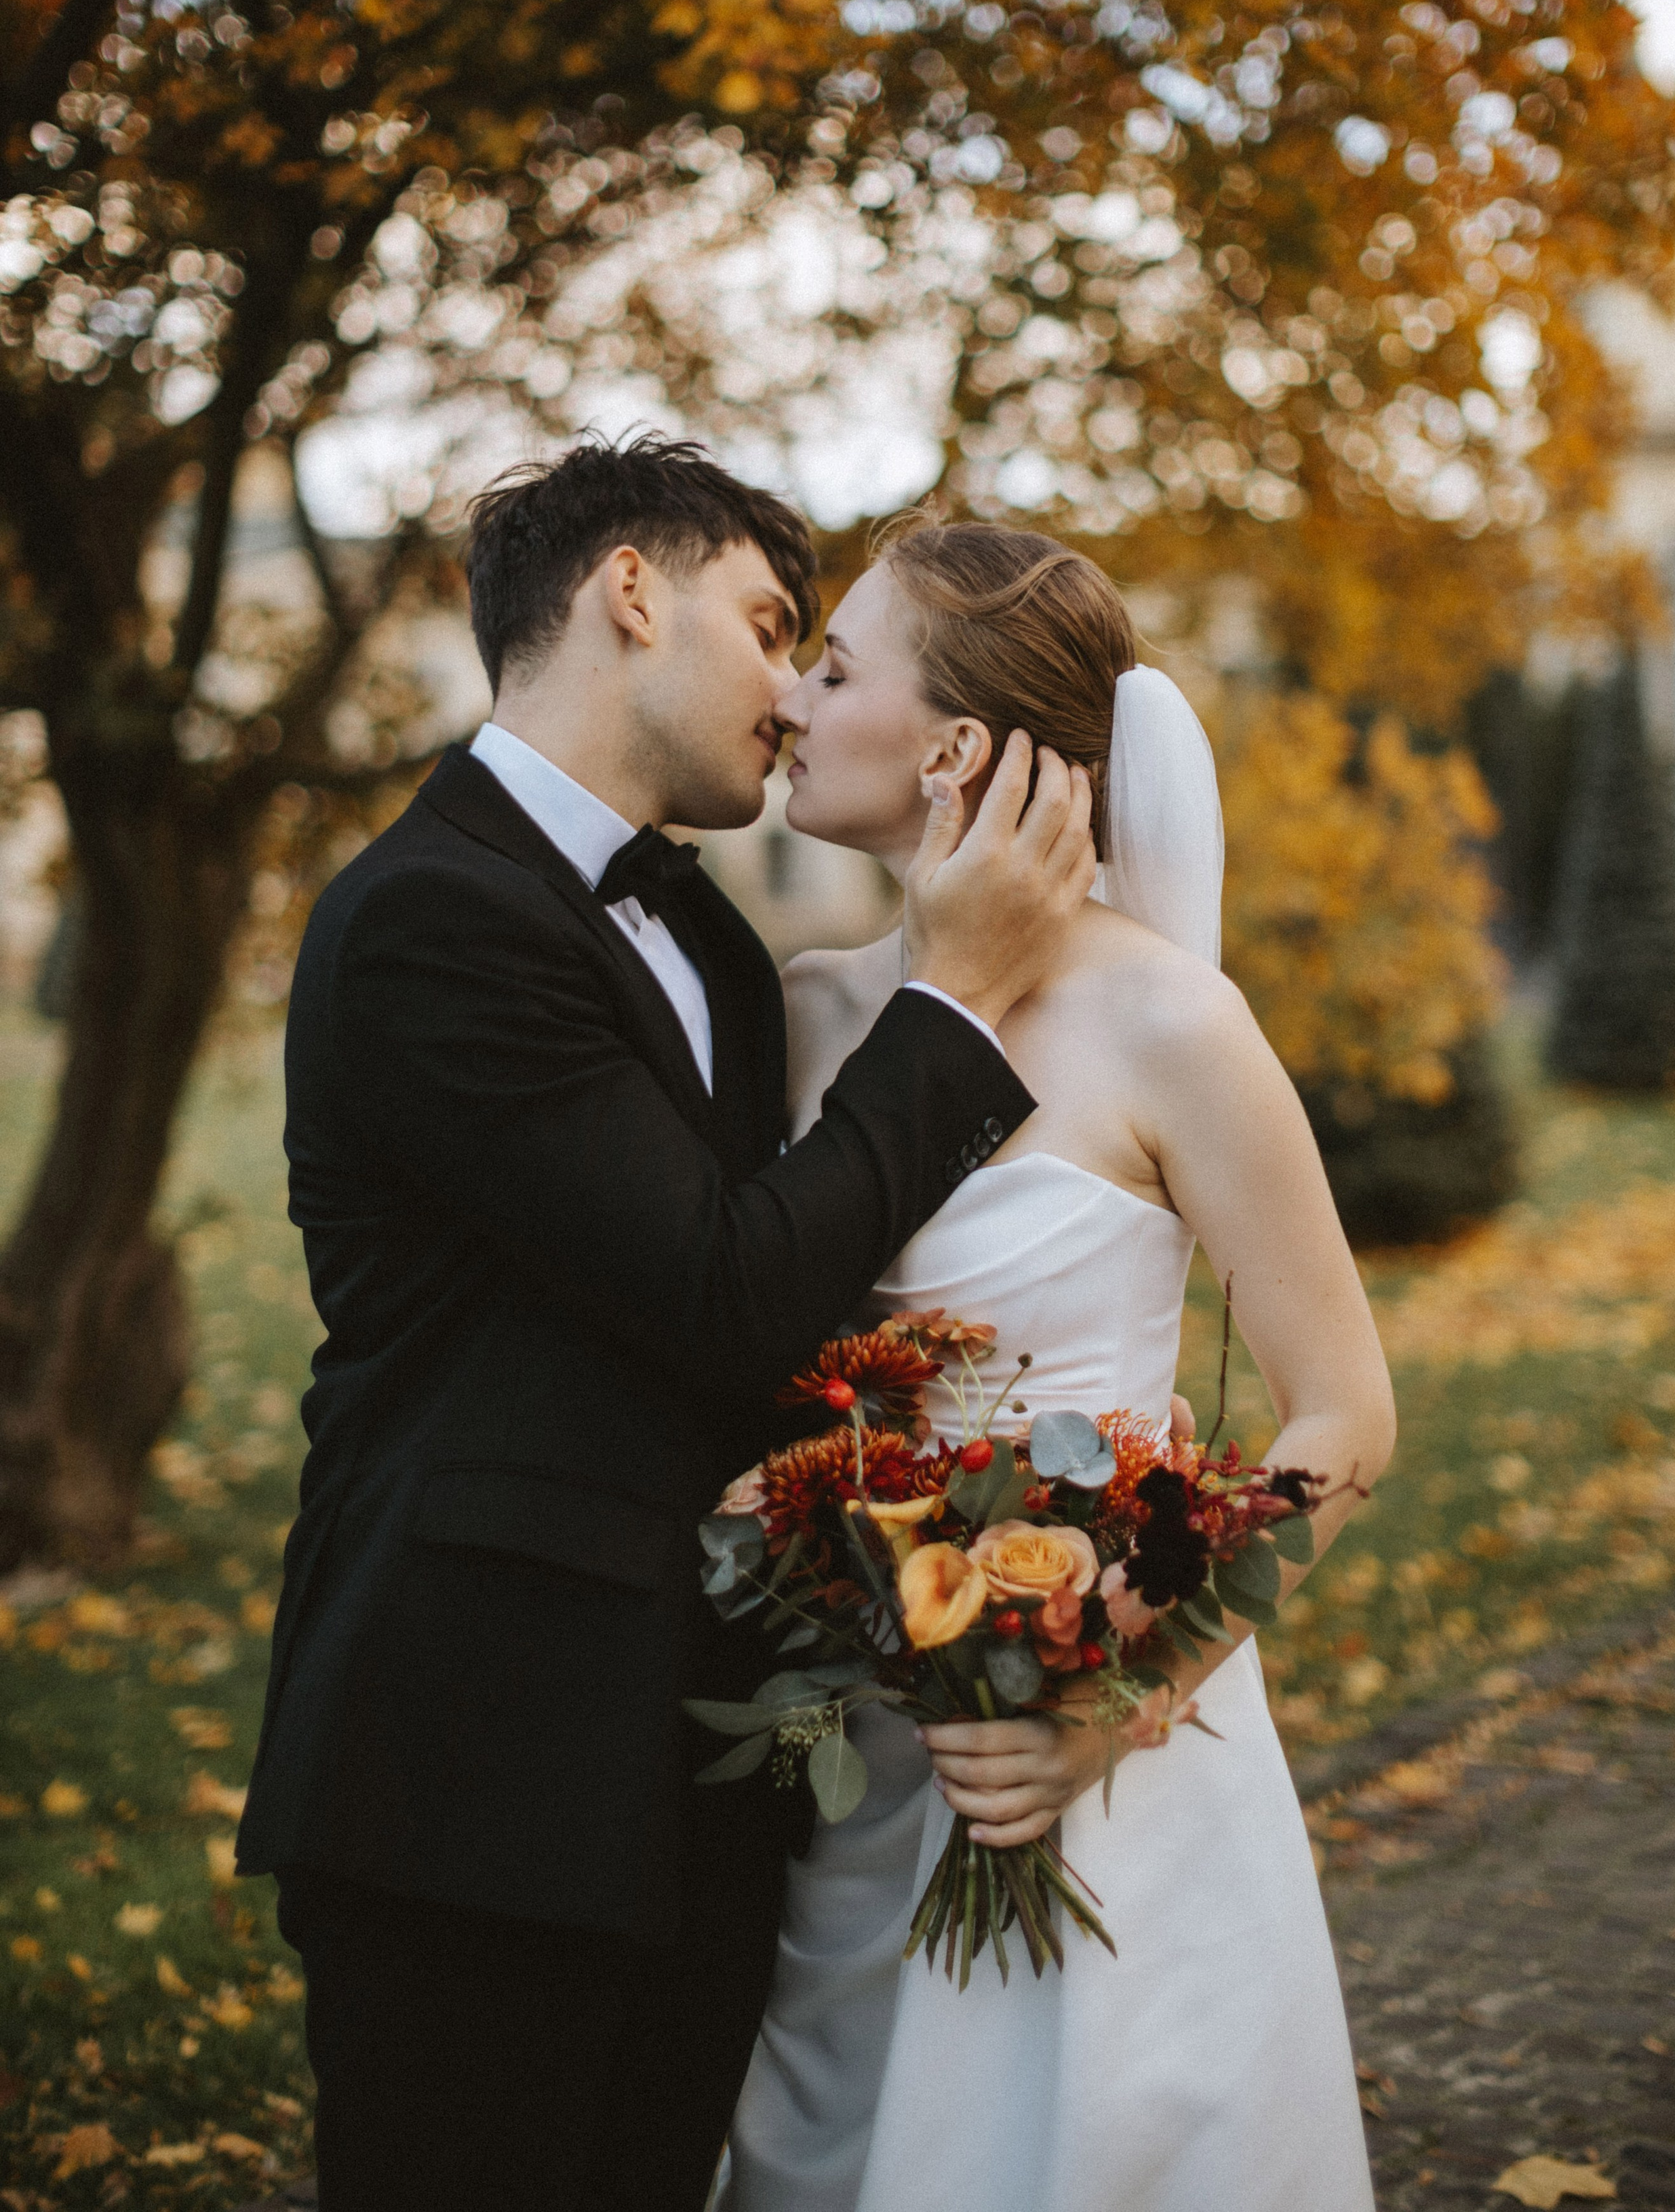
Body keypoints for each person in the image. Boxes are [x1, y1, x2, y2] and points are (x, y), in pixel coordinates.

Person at [235, 436, 1099, 2212]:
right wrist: (962, 996)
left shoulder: (705, 943)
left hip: (710, 1776)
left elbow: (800, 1327)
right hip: (472, 1769)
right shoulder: (426, 920)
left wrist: (983, 1588)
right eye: (774, 626)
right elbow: (720, 1292)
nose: (795, 697)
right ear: (634, 589)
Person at [723, 518, 1396, 2212]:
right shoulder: (802, 1014)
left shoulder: (1169, 1023)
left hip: (1107, 1772)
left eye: (830, 666)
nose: (790, 702)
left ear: (951, 746)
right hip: (868, 1759)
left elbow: (1344, 1417)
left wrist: (1111, 1698)